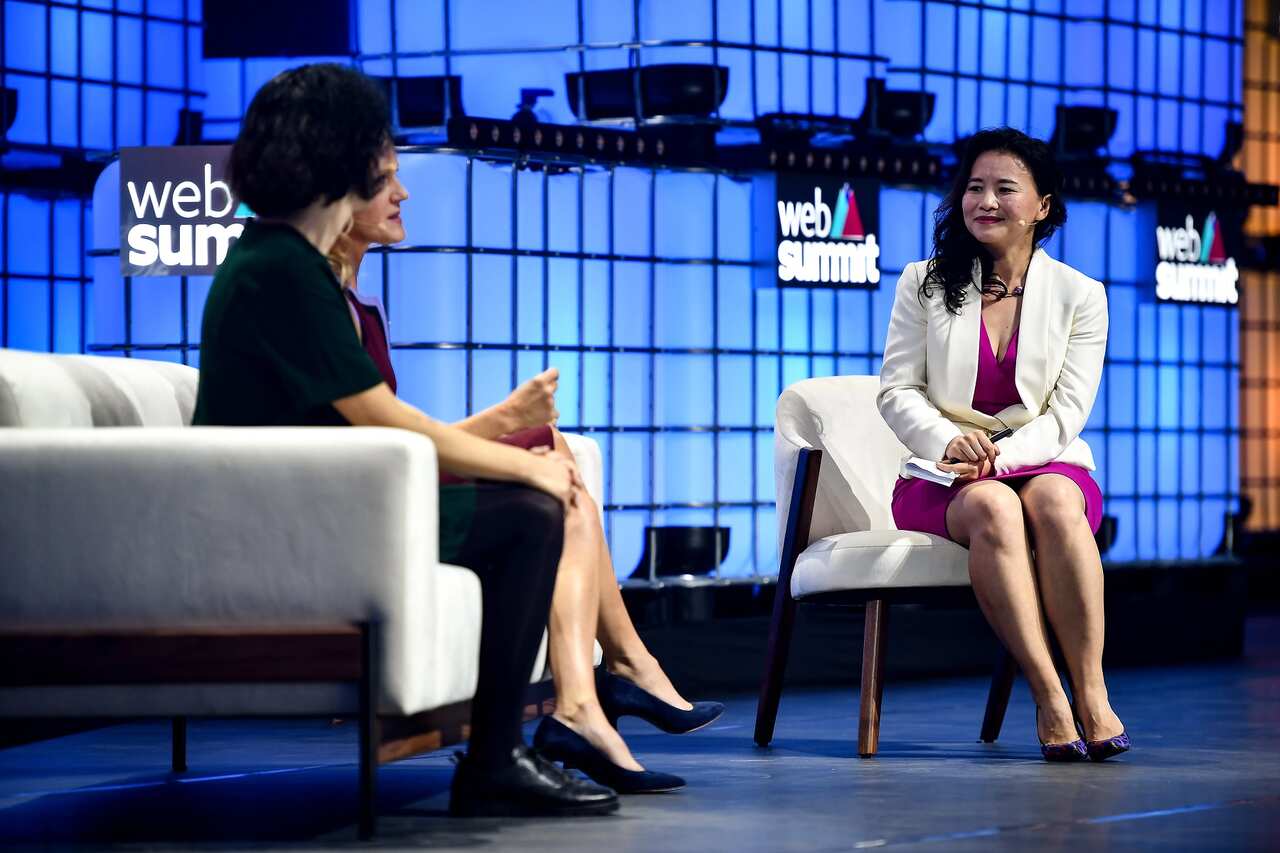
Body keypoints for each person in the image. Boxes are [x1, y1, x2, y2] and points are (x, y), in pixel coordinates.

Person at [192, 63, 617, 816]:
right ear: (343, 158)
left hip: (327, 510)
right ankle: (495, 758)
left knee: (531, 500)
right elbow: (387, 422)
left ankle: (514, 744)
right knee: (528, 515)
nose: (398, 182)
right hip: (295, 528)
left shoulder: (289, 266)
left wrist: (510, 447)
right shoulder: (279, 271)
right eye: (381, 159)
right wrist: (525, 469)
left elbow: (382, 424)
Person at [329, 147, 726, 793]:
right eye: (386, 178)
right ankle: (611, 678)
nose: (402, 193)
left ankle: (603, 685)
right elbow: (393, 438)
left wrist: (513, 428)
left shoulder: (353, 301)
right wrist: (511, 430)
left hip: (376, 484)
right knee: (549, 468)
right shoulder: (300, 288)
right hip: (361, 507)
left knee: (551, 450)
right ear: (335, 193)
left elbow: (394, 436)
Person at [878, 127, 1129, 762]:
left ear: (1042, 205)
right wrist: (950, 441)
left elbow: (1067, 413)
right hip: (944, 476)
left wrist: (1001, 455)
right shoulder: (923, 282)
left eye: (1005, 189)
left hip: (1045, 464)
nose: (986, 201)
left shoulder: (1081, 296)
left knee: (1050, 502)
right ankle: (1049, 696)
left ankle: (1092, 692)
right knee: (994, 505)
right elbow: (896, 390)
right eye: (975, 187)